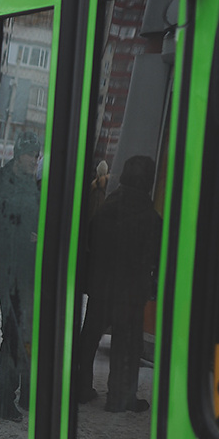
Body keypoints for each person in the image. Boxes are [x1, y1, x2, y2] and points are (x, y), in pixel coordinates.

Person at [76, 155, 161, 412]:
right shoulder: (151, 219)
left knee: (89, 339)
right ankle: (119, 398)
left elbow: (88, 243)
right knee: (127, 345)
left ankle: (80, 388)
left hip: (100, 287)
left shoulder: (106, 208)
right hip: (131, 292)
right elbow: (157, 258)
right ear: (148, 180)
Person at [0, 131, 41, 422]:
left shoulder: (34, 188)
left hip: (19, 274)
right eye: (31, 154)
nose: (35, 160)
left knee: (15, 335)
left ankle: (2, 399)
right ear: (18, 155)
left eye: (37, 155)